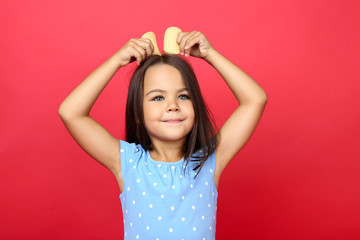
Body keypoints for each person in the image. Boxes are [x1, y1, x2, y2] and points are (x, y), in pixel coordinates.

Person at [58, 30, 267, 239]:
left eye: (183, 96)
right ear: (137, 113)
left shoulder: (209, 161)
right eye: (158, 98)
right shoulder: (128, 163)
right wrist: (116, 61)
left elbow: (255, 99)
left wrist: (210, 54)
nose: (173, 106)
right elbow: (70, 112)